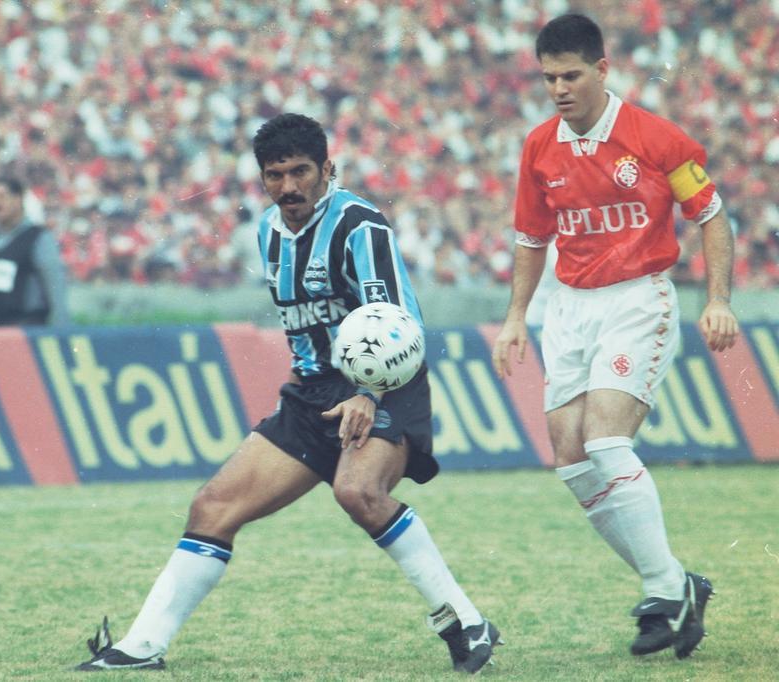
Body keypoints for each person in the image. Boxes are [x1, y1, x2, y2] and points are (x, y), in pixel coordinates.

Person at [75, 113, 501, 674]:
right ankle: (142, 647)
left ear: (328, 168)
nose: (289, 187)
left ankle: (466, 621)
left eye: (300, 171)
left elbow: (397, 320)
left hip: (387, 382)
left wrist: (369, 393)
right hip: (313, 394)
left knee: (357, 492)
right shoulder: (268, 231)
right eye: (275, 175)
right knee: (211, 507)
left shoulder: (359, 226)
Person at [491, 14, 739, 660]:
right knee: (570, 458)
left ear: (602, 70)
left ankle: (663, 590)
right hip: (567, 306)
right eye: (549, 77)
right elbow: (529, 238)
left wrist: (717, 300)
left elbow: (712, 218)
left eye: (571, 75)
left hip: (638, 298)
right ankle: (679, 585)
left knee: (605, 437)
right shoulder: (539, 147)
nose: (559, 88)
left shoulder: (654, 138)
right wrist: (517, 314)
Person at [0, 175, 69, 328]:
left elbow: (54, 284)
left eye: (1, 197)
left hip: (27, 330)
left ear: (18, 199)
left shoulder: (39, 238)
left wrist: (62, 329)